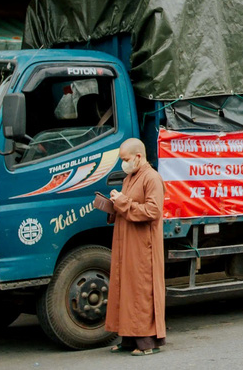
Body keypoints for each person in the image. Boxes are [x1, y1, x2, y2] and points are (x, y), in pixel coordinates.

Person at [105, 138, 167, 356]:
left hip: (143, 245)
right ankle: (129, 339)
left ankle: (147, 343)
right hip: (126, 241)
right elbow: (127, 204)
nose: (124, 164)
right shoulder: (130, 177)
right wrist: (113, 203)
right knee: (126, 288)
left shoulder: (152, 178)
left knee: (141, 290)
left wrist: (121, 202)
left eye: (126, 159)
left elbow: (153, 211)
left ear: (139, 157)